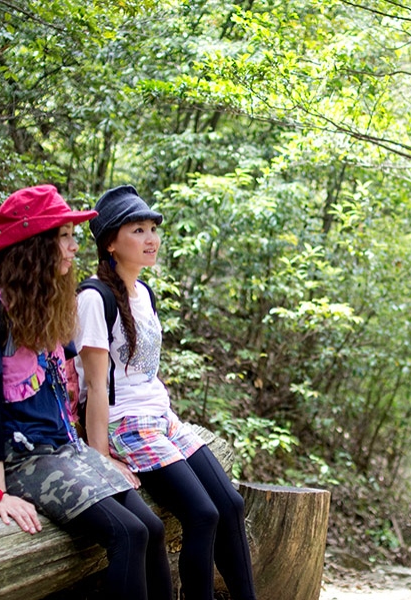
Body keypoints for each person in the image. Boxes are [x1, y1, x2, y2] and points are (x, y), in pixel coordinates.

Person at [0, 185, 173, 600]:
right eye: (65, 237)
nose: (73, 247)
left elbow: (72, 387)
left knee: (151, 529)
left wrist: (100, 456)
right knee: (126, 534)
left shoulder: (51, 302)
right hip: (23, 459)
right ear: (35, 247)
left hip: (66, 449)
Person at [75, 184, 257, 600]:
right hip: (126, 425)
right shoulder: (93, 298)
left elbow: (145, 372)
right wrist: (102, 462)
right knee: (203, 513)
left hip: (161, 419)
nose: (151, 238)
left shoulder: (144, 293)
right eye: (137, 230)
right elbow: (97, 388)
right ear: (109, 243)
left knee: (230, 505)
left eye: (152, 228)